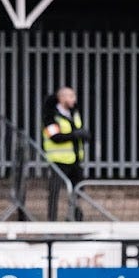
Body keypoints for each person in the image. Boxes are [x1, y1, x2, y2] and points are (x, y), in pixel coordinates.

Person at [42, 86, 89, 221]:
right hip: (58, 160)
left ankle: (74, 217)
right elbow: (54, 137)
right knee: (54, 192)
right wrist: (75, 135)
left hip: (75, 159)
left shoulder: (74, 113)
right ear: (62, 98)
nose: (74, 100)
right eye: (71, 96)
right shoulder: (50, 115)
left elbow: (78, 130)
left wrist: (84, 135)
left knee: (78, 192)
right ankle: (52, 220)